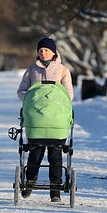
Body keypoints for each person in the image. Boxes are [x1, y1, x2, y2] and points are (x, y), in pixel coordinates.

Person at [17, 37, 74, 202]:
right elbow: (21, 91)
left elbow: (69, 94)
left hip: (56, 117)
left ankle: (55, 188)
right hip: (37, 117)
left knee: (55, 154)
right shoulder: (31, 70)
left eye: (46, 50)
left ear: (54, 52)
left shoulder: (63, 70)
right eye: (40, 50)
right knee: (35, 152)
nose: (43, 53)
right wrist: (32, 98)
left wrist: (53, 101)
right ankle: (30, 181)